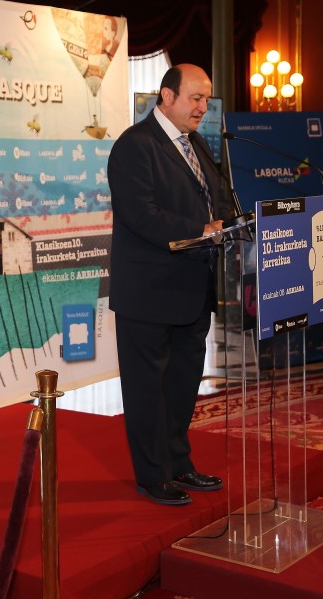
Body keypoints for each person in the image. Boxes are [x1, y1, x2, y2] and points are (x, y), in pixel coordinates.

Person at [107, 64, 230, 506]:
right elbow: (141, 215)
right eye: (196, 98)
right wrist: (203, 230)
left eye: (206, 99)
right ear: (167, 96)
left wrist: (230, 224)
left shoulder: (197, 144)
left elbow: (214, 200)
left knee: (181, 385)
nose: (203, 108)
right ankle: (153, 475)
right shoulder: (134, 146)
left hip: (192, 289)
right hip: (149, 291)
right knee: (147, 389)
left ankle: (179, 463)